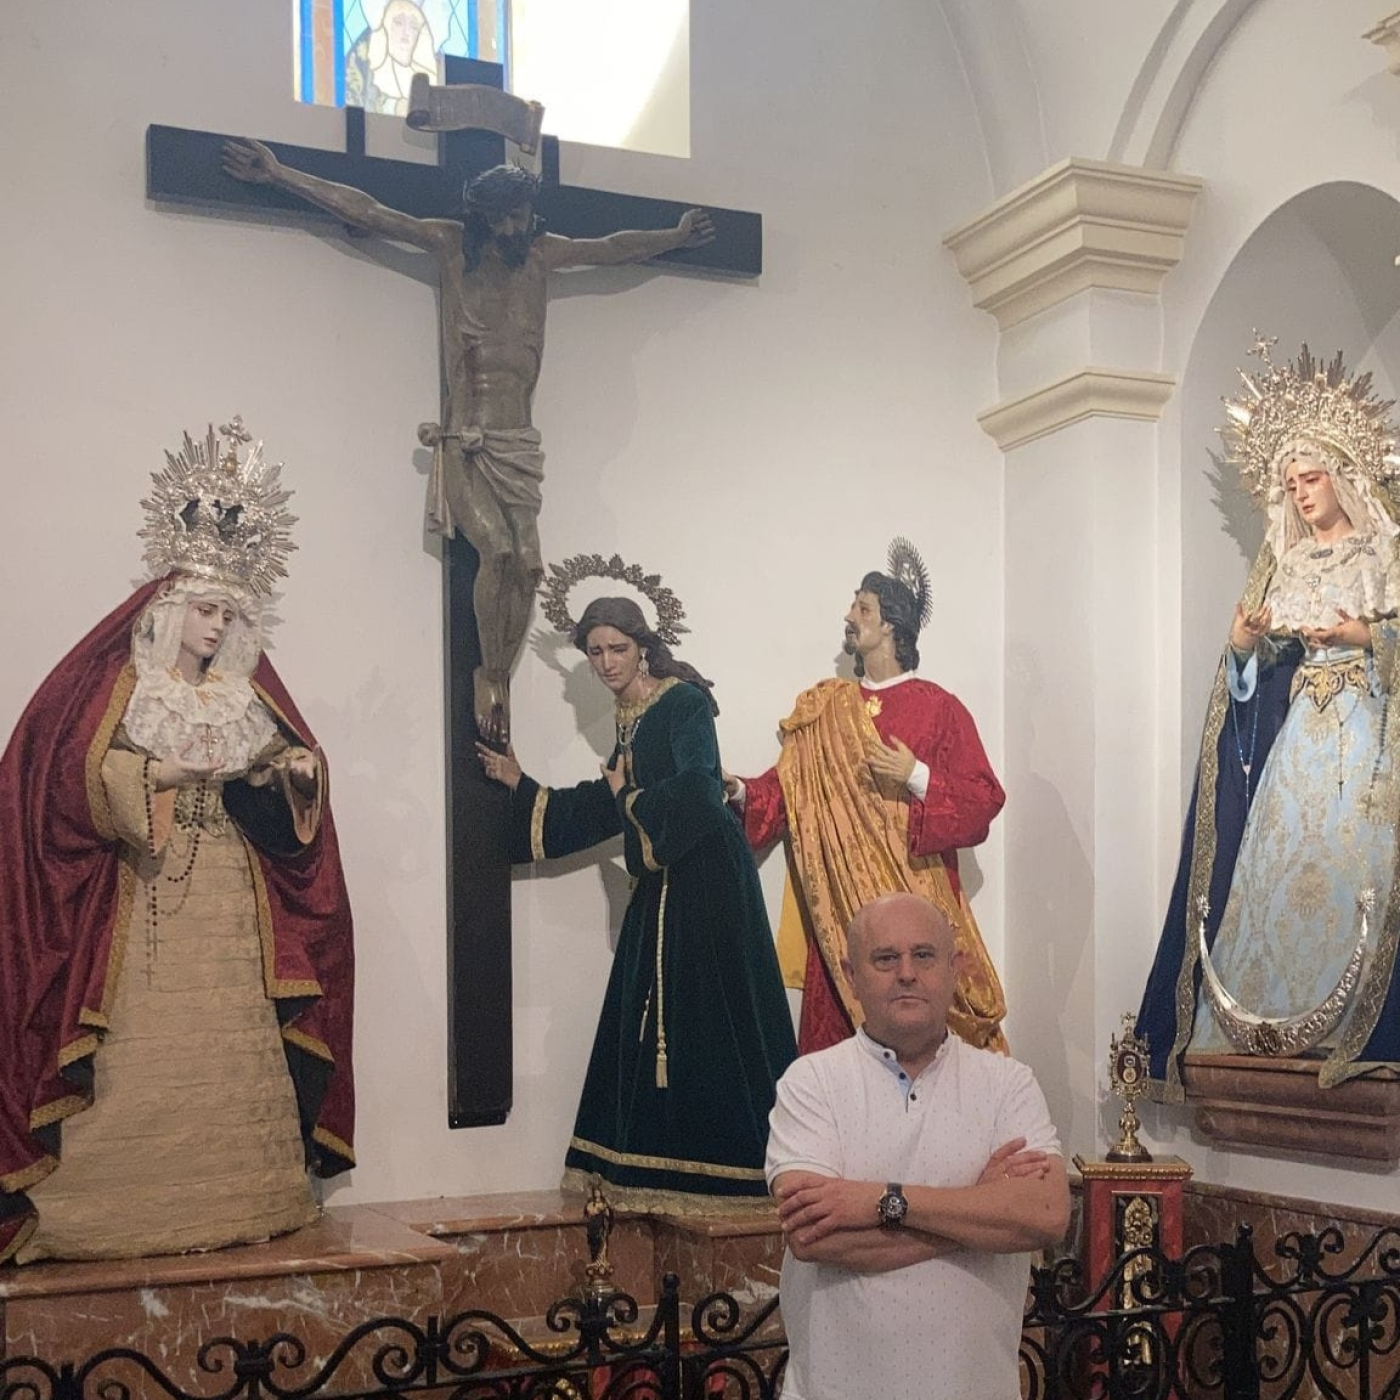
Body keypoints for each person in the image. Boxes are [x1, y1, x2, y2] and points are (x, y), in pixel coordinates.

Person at [0, 420, 355, 1265]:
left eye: (227, 613)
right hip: (143, 890)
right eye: (203, 609)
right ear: (168, 611)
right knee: (136, 1045)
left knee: (232, 1041)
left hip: (227, 891)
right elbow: (70, 776)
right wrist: (158, 773)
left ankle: (248, 1193)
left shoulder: (243, 696)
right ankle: (104, 1214)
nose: (215, 625)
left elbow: (272, 787)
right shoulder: (124, 687)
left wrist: (295, 775)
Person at [221, 139, 714, 743]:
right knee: (497, 552)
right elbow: (370, 211)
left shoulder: (543, 255)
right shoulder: (449, 245)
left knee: (530, 566)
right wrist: (279, 174)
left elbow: (613, 247)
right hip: (465, 440)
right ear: (481, 214)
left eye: (519, 215)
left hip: (518, 442)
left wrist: (675, 235)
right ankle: (490, 674)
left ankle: (499, 669)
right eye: (500, 217)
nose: (511, 228)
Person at [1138, 341, 1400, 1095]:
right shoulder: (1285, 563)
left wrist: (1365, 636)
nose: (1301, 494)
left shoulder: (1384, 554)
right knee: (1275, 878)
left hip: (1366, 734)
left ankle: (1357, 1022)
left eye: (1312, 478)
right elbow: (1253, 690)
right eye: (1290, 484)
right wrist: (1245, 646)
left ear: (1344, 475)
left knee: (1355, 871)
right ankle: (1264, 1023)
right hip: (1300, 746)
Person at [476, 593, 796, 1210]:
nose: (606, 662)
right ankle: (656, 1164)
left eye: (617, 648)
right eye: (595, 652)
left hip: (707, 881)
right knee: (655, 1018)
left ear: (643, 645)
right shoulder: (630, 717)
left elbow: (699, 791)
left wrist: (629, 799)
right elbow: (609, 801)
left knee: (711, 1015)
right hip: (665, 880)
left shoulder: (684, 702)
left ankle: (730, 1170)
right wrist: (526, 787)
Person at [766, 892, 1069, 1400]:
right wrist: (979, 1213)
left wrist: (882, 1200)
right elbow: (813, 1238)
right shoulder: (811, 1083)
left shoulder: (1008, 1084)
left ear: (955, 968)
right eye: (885, 958)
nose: (906, 973)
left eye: (924, 955)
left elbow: (1045, 1214)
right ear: (851, 974)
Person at [728, 538, 1007, 1055]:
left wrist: (915, 775)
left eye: (862, 608)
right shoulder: (826, 710)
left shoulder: (939, 708)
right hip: (840, 910)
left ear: (892, 625)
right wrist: (743, 792)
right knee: (841, 1059)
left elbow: (983, 800)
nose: (849, 617)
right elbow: (790, 792)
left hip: (915, 901)